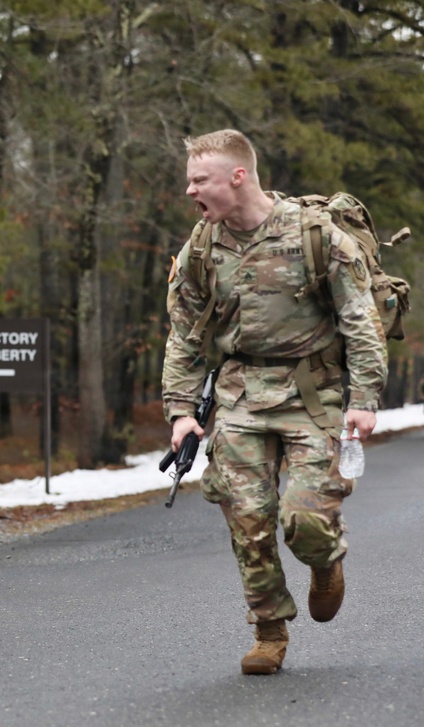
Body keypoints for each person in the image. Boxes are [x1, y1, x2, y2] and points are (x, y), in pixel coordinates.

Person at [162, 130, 387, 675]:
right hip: (239, 395)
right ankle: (269, 633)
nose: (190, 190)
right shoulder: (203, 246)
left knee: (303, 520)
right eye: (189, 179)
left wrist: (364, 397)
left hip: (314, 393)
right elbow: (185, 334)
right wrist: (181, 410)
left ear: (237, 177)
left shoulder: (317, 237)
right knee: (248, 520)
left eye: (200, 180)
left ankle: (324, 560)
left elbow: (360, 321)